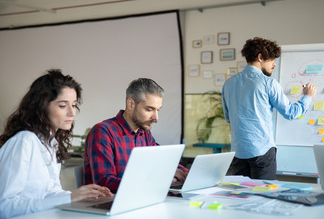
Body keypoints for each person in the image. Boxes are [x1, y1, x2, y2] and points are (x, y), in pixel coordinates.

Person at [0, 69, 112, 219]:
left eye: (74, 104)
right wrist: (70, 198)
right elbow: (4, 207)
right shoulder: (24, 141)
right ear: (41, 107)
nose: (72, 113)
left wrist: (82, 196)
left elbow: (50, 193)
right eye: (62, 105)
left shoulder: (50, 143)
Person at [222, 37, 317, 180]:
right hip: (262, 152)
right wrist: (307, 97)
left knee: (240, 196)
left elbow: (228, 117)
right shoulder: (269, 83)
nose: (274, 64)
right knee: (264, 197)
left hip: (237, 153)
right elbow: (291, 113)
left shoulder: (229, 84)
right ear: (260, 57)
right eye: (272, 60)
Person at [84, 78, 188, 193]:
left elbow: (163, 159)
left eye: (158, 110)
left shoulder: (144, 133)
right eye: (149, 109)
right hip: (109, 205)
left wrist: (182, 171)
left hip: (140, 200)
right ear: (131, 104)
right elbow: (104, 184)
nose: (156, 118)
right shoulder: (103, 132)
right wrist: (161, 178)